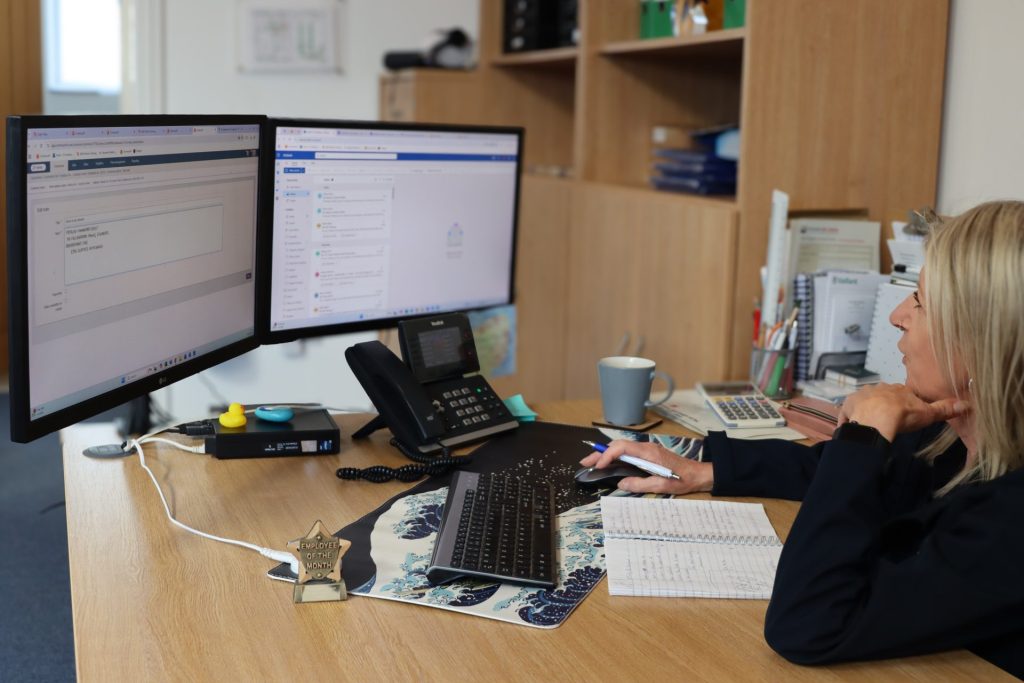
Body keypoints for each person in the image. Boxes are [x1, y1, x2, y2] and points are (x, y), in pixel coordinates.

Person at [580, 200, 1024, 678]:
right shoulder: (952, 436)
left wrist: (865, 435)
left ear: (980, 339)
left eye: (918, 300)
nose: (898, 316)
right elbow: (831, 473)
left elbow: (807, 624)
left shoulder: (1009, 523)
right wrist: (705, 469)